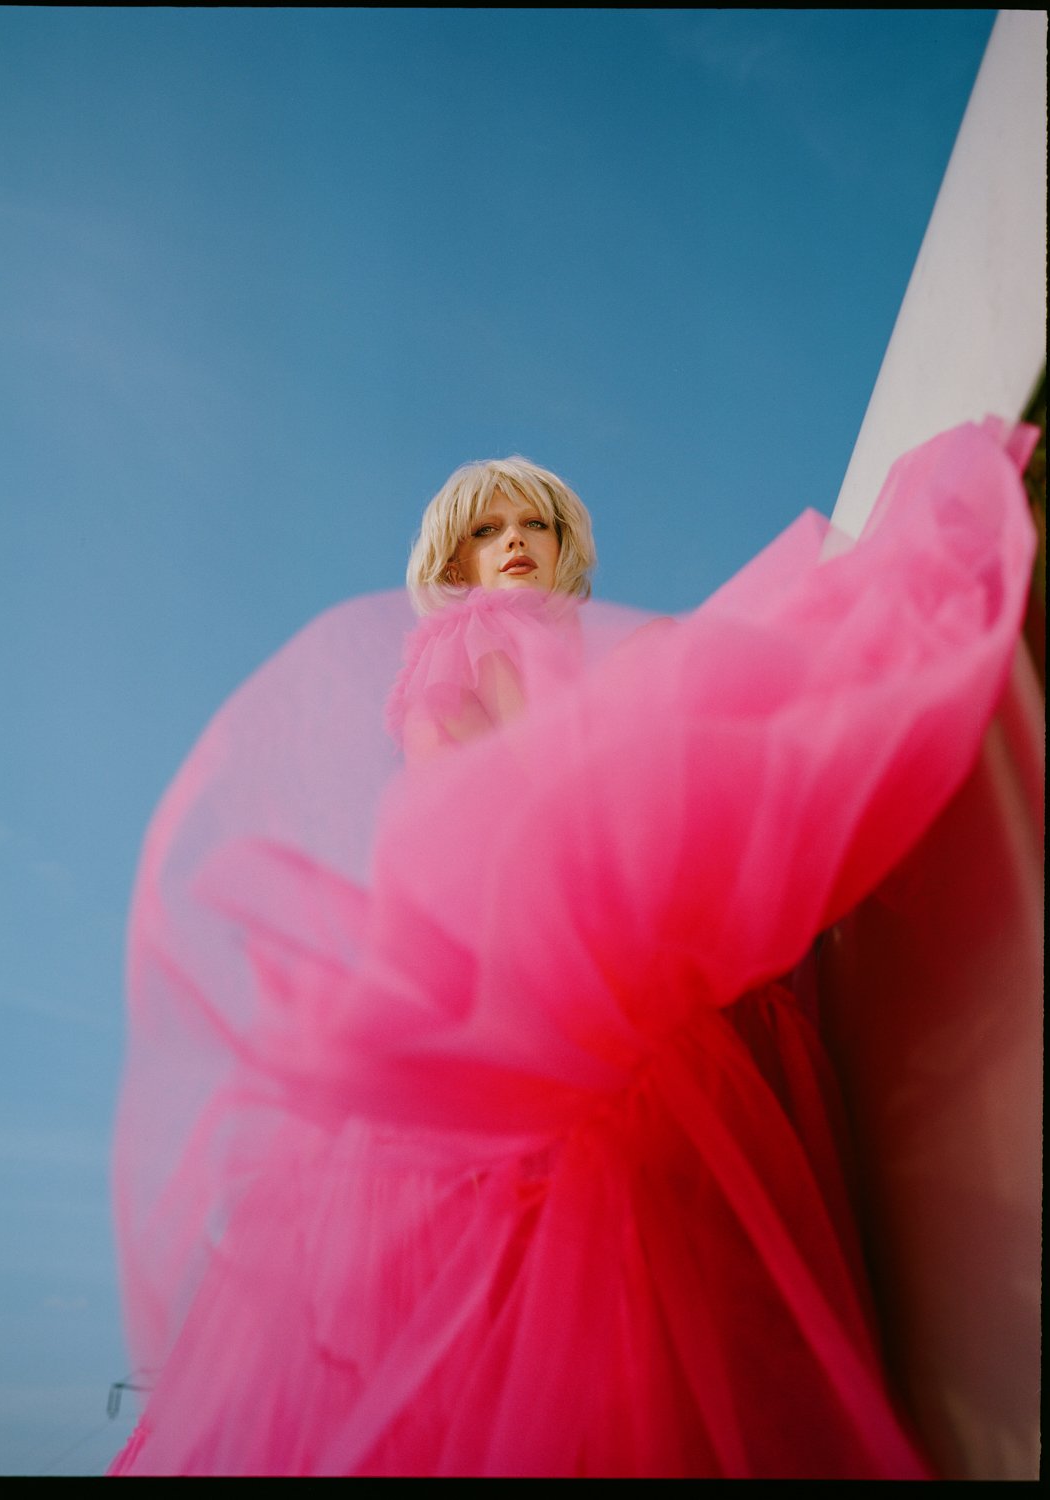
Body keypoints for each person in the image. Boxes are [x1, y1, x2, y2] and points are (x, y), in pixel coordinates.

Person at [108, 422, 1036, 1477]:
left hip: (565, 959)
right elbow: (477, 801)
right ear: (451, 562)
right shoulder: (473, 643)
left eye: (536, 527)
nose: (515, 543)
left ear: (566, 550)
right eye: (488, 529)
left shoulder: (585, 651)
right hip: (554, 961)